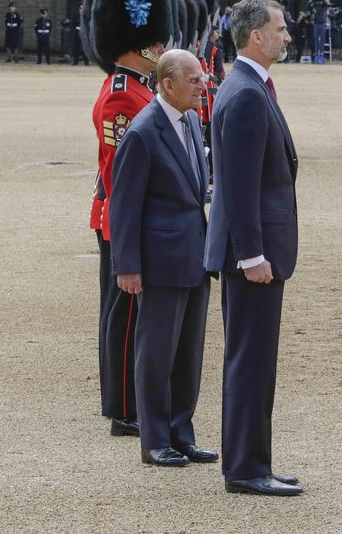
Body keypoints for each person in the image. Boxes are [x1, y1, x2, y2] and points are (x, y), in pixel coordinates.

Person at [204, 0, 303, 496]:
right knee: (249, 361)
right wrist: (251, 255)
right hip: (253, 254)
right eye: (280, 29)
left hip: (257, 248)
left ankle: (252, 461)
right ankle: (245, 467)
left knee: (255, 361)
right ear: (255, 36)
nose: (288, 36)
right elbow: (239, 186)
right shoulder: (244, 92)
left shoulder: (247, 85)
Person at [109, 49, 217, 468]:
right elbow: (124, 206)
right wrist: (128, 266)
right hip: (160, 259)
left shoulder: (190, 119)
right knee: (156, 353)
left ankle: (181, 432)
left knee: (188, 353)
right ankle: (155, 439)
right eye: (193, 80)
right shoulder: (141, 132)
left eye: (202, 78)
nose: (202, 86)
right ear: (167, 84)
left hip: (194, 253)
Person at [88, 0, 173, 439]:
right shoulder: (123, 93)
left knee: (122, 311)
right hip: (122, 218)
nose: (161, 48)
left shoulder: (138, 88)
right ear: (137, 42)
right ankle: (123, 407)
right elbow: (121, 174)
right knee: (124, 314)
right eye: (155, 41)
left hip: (125, 217)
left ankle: (118, 398)